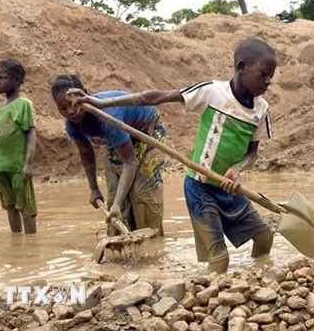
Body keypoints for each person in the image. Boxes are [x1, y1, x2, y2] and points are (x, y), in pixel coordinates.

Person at [71, 37, 276, 274]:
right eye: (264, 74)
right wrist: (101, 102)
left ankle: (259, 275)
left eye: (271, 75)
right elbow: (154, 97)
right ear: (241, 67)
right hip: (200, 189)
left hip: (229, 188)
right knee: (220, 260)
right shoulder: (212, 92)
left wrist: (238, 169)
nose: (268, 81)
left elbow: (252, 154)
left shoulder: (262, 110)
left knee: (265, 237)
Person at [50, 75, 166, 237]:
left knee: (142, 194)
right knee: (114, 197)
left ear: (84, 95)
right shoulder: (72, 126)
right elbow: (86, 155)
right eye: (63, 108)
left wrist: (118, 204)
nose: (70, 111)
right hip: (118, 140)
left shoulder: (108, 116)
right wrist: (94, 190)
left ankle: (152, 244)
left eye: (73, 104)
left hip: (147, 130)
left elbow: (130, 162)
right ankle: (122, 240)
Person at [0, 59, 38, 234]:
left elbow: (31, 134)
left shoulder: (23, 104)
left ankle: (31, 246)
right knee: (10, 206)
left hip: (17, 168)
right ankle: (17, 240)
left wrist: (28, 164)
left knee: (25, 207)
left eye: (2, 78)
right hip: (0, 167)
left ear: (17, 80)